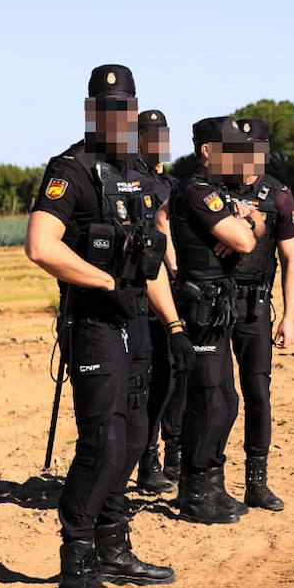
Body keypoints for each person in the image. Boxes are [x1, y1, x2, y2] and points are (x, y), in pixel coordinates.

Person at [24, 64, 192, 588]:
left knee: (137, 436)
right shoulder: (70, 170)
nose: (118, 118)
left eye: (126, 108)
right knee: (103, 443)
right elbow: (40, 245)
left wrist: (173, 326)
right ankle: (76, 570)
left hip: (140, 323)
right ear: (93, 112)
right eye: (108, 109)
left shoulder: (144, 174)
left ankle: (115, 548)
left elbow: (150, 265)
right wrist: (103, 279)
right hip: (94, 325)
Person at [163, 117, 266, 524]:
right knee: (208, 400)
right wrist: (240, 225)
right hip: (200, 307)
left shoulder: (216, 193)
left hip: (218, 306)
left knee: (226, 399)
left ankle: (212, 482)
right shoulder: (197, 190)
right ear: (207, 151)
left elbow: (253, 226)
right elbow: (245, 239)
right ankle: (194, 491)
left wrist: (243, 221)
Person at [229, 116, 294, 511]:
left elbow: (290, 260)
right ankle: (206, 480)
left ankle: (257, 482)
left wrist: (289, 317)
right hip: (214, 307)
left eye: (253, 149)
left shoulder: (280, 196)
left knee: (257, 394)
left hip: (256, 309)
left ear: (264, 150)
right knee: (217, 398)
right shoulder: (214, 189)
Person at [132, 108, 179, 495]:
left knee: (172, 377)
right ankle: (147, 460)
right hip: (142, 295)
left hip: (173, 293)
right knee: (147, 380)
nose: (159, 140)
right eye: (152, 134)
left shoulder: (175, 186)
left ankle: (171, 454)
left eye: (163, 133)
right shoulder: (129, 181)